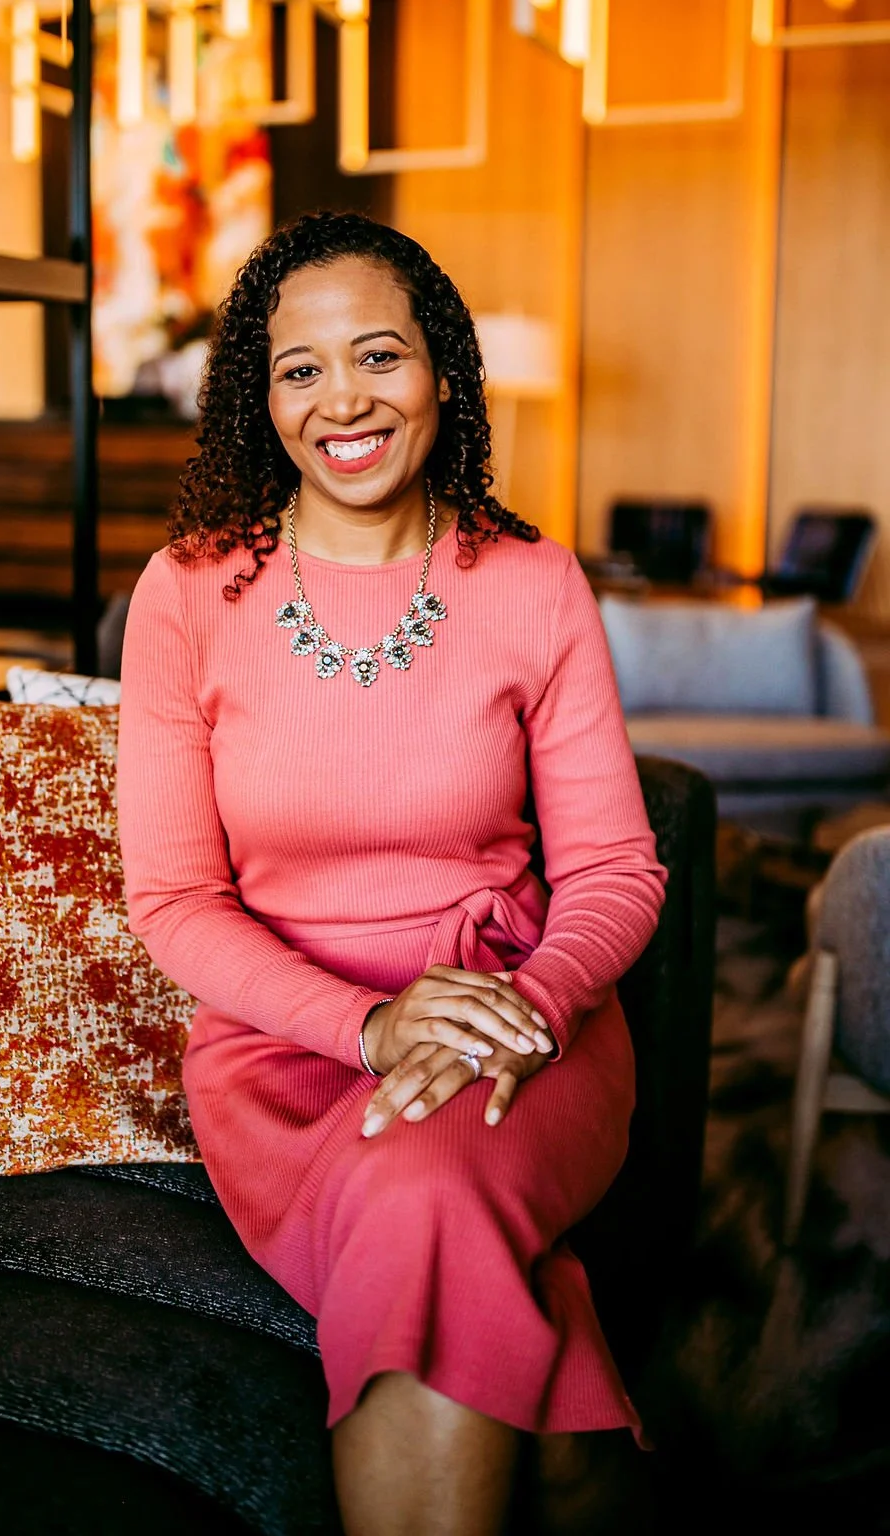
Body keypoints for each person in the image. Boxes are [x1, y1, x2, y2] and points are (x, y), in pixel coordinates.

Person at [117, 210, 667, 1535]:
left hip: (518, 1019)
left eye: (380, 356)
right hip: (283, 1048)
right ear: (261, 397)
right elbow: (175, 901)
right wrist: (365, 1025)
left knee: (426, 1182)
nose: (342, 400)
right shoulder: (187, 594)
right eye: (300, 369)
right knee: (432, 1202)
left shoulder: (533, 585)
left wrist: (530, 1007)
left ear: (442, 376)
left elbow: (616, 870)